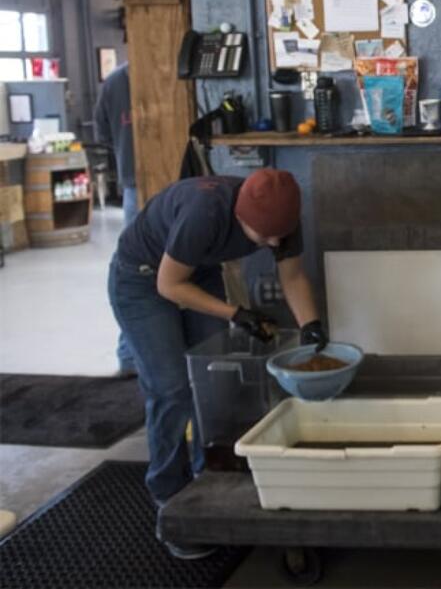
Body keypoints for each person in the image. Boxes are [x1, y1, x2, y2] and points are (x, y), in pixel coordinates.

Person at [108, 168, 327, 559]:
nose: (275, 242)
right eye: (264, 237)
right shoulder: (204, 211)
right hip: (142, 280)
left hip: (198, 272)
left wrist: (311, 326)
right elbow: (168, 285)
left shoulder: (283, 219)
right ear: (241, 217)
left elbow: (292, 277)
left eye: (281, 235)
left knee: (213, 376)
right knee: (172, 386)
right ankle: (169, 496)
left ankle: (205, 477)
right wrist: (235, 313)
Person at [94, 63, 138, 375]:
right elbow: (105, 133)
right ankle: (130, 355)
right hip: (138, 184)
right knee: (135, 270)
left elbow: (104, 135)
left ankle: (131, 357)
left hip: (134, 182)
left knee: (135, 268)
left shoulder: (112, 82)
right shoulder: (114, 83)